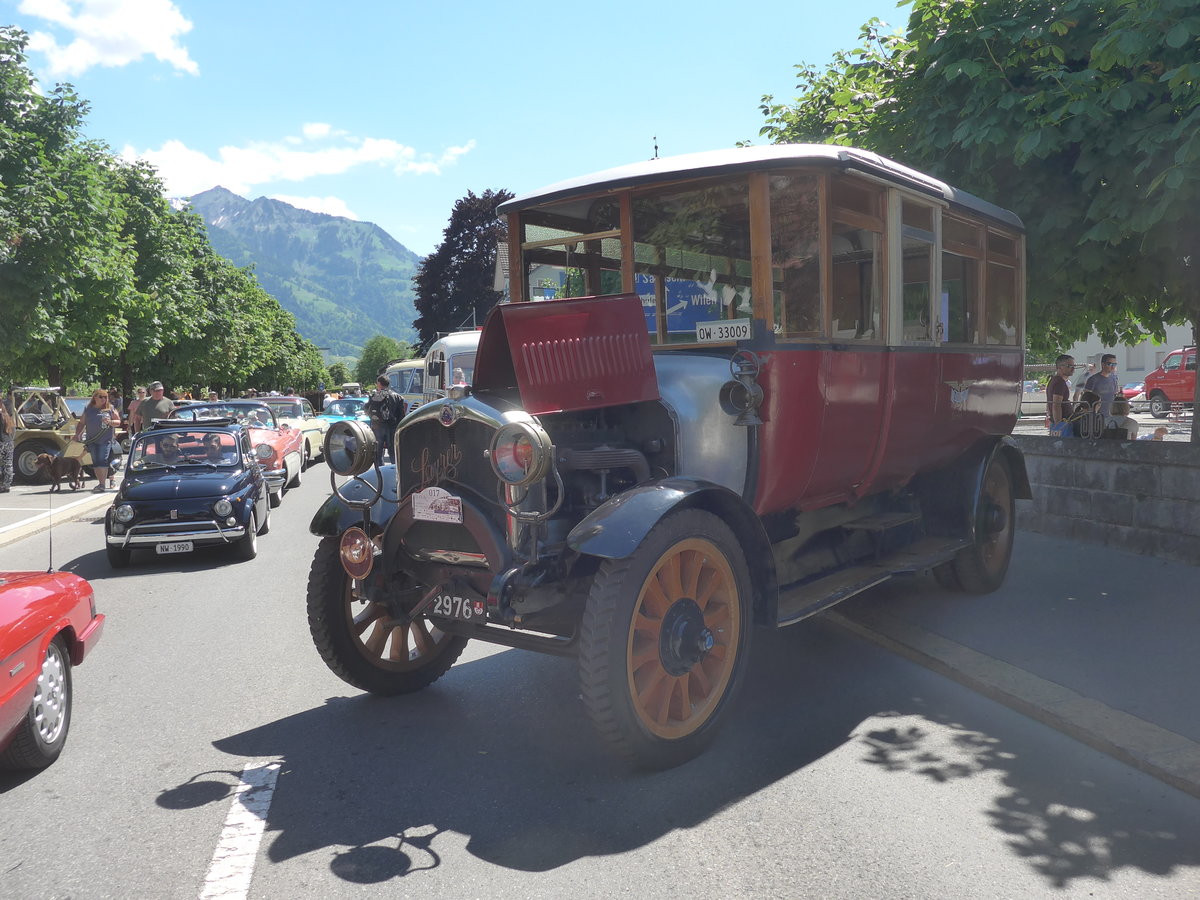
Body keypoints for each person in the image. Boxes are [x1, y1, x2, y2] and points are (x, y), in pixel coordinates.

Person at [74, 389, 121, 492]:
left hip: (105, 440)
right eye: (101, 397)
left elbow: (118, 422)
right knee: (95, 462)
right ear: (95, 397)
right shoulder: (88, 409)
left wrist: (110, 421)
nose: (104, 399)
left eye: (105, 397)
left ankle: (102, 484)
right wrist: (77, 434)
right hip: (91, 440)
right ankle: (100, 483)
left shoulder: (110, 408)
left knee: (102, 460)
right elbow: (82, 423)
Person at [366, 374, 402, 464]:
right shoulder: (397, 397)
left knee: (378, 453)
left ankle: (380, 473)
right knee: (393, 452)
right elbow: (401, 415)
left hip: (377, 426)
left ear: (379, 384)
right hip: (392, 427)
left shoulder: (374, 395)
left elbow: (367, 409)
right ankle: (394, 471)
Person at [1046, 354, 1075, 437]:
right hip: (1063, 423)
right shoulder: (1059, 382)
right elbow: (1056, 404)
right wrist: (1058, 426)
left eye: (1073, 366)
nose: (1073, 368)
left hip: (1060, 422)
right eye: (1069, 366)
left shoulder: (1054, 380)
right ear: (1060, 367)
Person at [1083, 353, 1120, 417]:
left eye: (1114, 364)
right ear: (1103, 364)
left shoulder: (1114, 379)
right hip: (1096, 416)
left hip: (1110, 416)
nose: (1113, 366)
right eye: (1109, 364)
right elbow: (1086, 398)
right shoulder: (1093, 379)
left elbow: (1115, 395)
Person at [0, 395, 14, 493]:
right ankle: (6, 485)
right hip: (8, 442)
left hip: (0, 442)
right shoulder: (6, 415)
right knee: (8, 464)